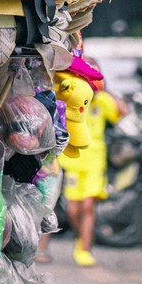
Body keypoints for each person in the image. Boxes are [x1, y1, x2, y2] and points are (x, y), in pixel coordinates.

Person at [61, 71, 123, 267]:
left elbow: (122, 112)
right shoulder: (73, 97)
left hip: (95, 162)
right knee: (73, 210)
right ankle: (83, 237)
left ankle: (85, 249)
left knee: (88, 206)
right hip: (73, 161)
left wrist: (108, 91)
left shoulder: (103, 101)